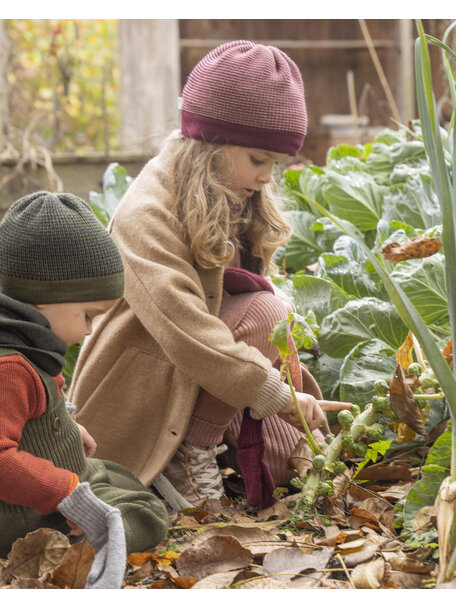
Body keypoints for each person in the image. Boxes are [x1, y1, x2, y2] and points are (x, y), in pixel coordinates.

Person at [69, 40, 352, 509]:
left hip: (202, 370)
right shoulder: (147, 212)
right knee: (265, 311)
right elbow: (188, 332)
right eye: (258, 160)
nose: (266, 178)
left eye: (275, 164)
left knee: (282, 470)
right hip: (142, 378)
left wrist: (289, 403)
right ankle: (186, 455)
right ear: (209, 142)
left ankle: (226, 444)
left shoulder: (230, 193)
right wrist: (275, 394)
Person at [0, 191, 168, 588]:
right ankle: (79, 543)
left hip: (54, 476)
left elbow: (34, 413)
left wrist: (68, 429)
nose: (90, 329)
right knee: (146, 513)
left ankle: (85, 519)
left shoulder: (31, 344)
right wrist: (67, 493)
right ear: (42, 302)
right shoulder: (10, 368)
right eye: (88, 315)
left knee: (121, 477)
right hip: (20, 507)